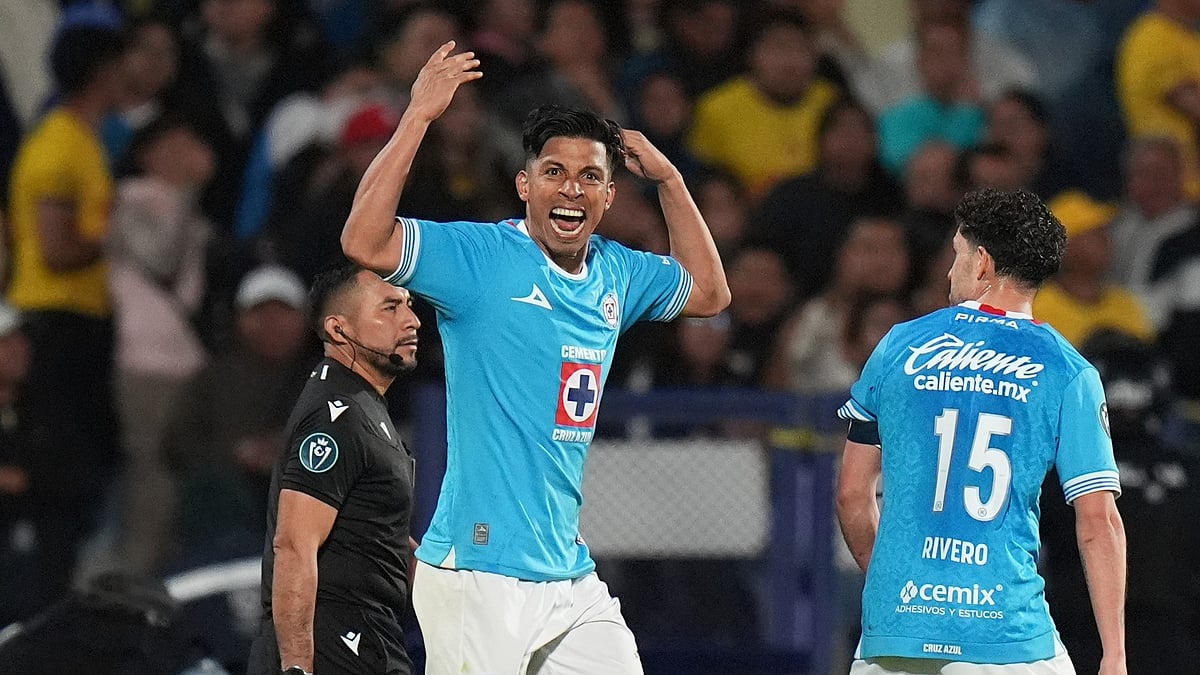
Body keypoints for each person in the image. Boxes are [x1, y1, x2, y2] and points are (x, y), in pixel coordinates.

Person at [341, 41, 729, 674]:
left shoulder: (618, 273)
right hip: (480, 569)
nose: (570, 189)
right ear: (525, 184)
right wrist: (417, 117)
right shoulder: (479, 260)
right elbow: (362, 239)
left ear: (607, 197)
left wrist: (669, 180)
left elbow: (711, 292)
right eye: (553, 172)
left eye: (589, 177)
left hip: (567, 573)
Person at [836, 188, 1127, 674]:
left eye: (957, 255)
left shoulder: (896, 348)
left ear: (984, 263)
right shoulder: (1068, 371)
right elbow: (1099, 522)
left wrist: (893, 591)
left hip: (894, 635)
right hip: (1006, 634)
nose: (951, 271)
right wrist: (1114, 654)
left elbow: (851, 494)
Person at [246, 264, 421, 675]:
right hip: (334, 644)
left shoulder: (363, 405)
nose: (411, 320)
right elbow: (293, 545)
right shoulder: (335, 416)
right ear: (339, 330)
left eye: (409, 307)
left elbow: (381, 532)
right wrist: (296, 667)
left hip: (369, 636)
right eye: (390, 309)